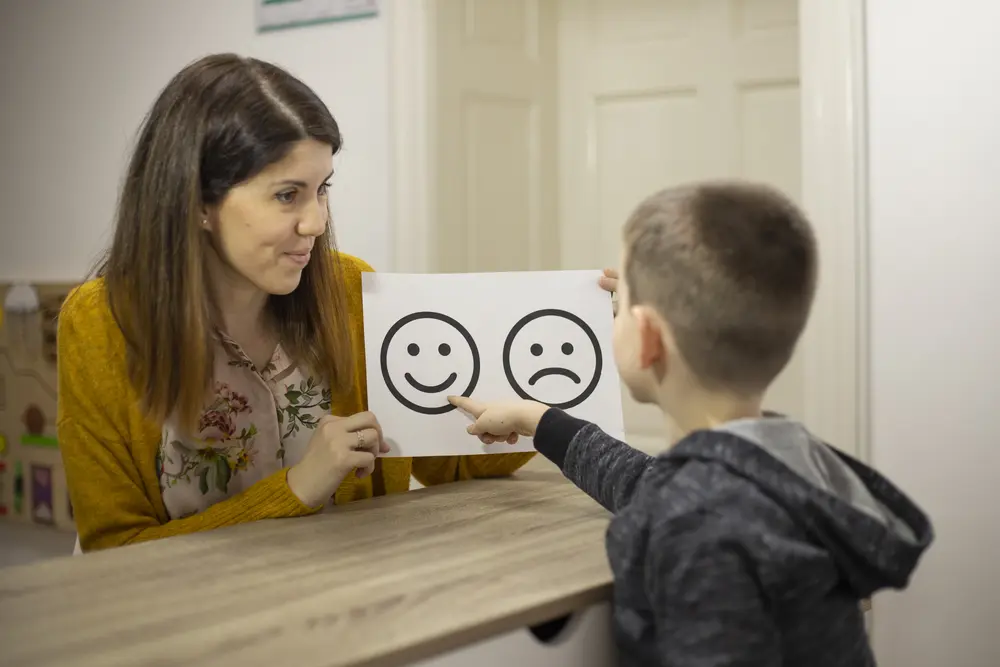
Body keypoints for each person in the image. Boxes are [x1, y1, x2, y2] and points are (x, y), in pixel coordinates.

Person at [58, 53, 616, 552]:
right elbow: (117, 552)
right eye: (286, 195)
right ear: (198, 202)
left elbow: (454, 464)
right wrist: (297, 489)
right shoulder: (99, 324)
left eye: (323, 188)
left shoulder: (351, 290)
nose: (317, 222)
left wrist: (578, 348)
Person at [450, 181, 934, 666]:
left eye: (621, 308)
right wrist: (539, 419)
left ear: (646, 339)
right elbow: (653, 483)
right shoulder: (785, 466)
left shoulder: (698, 526)